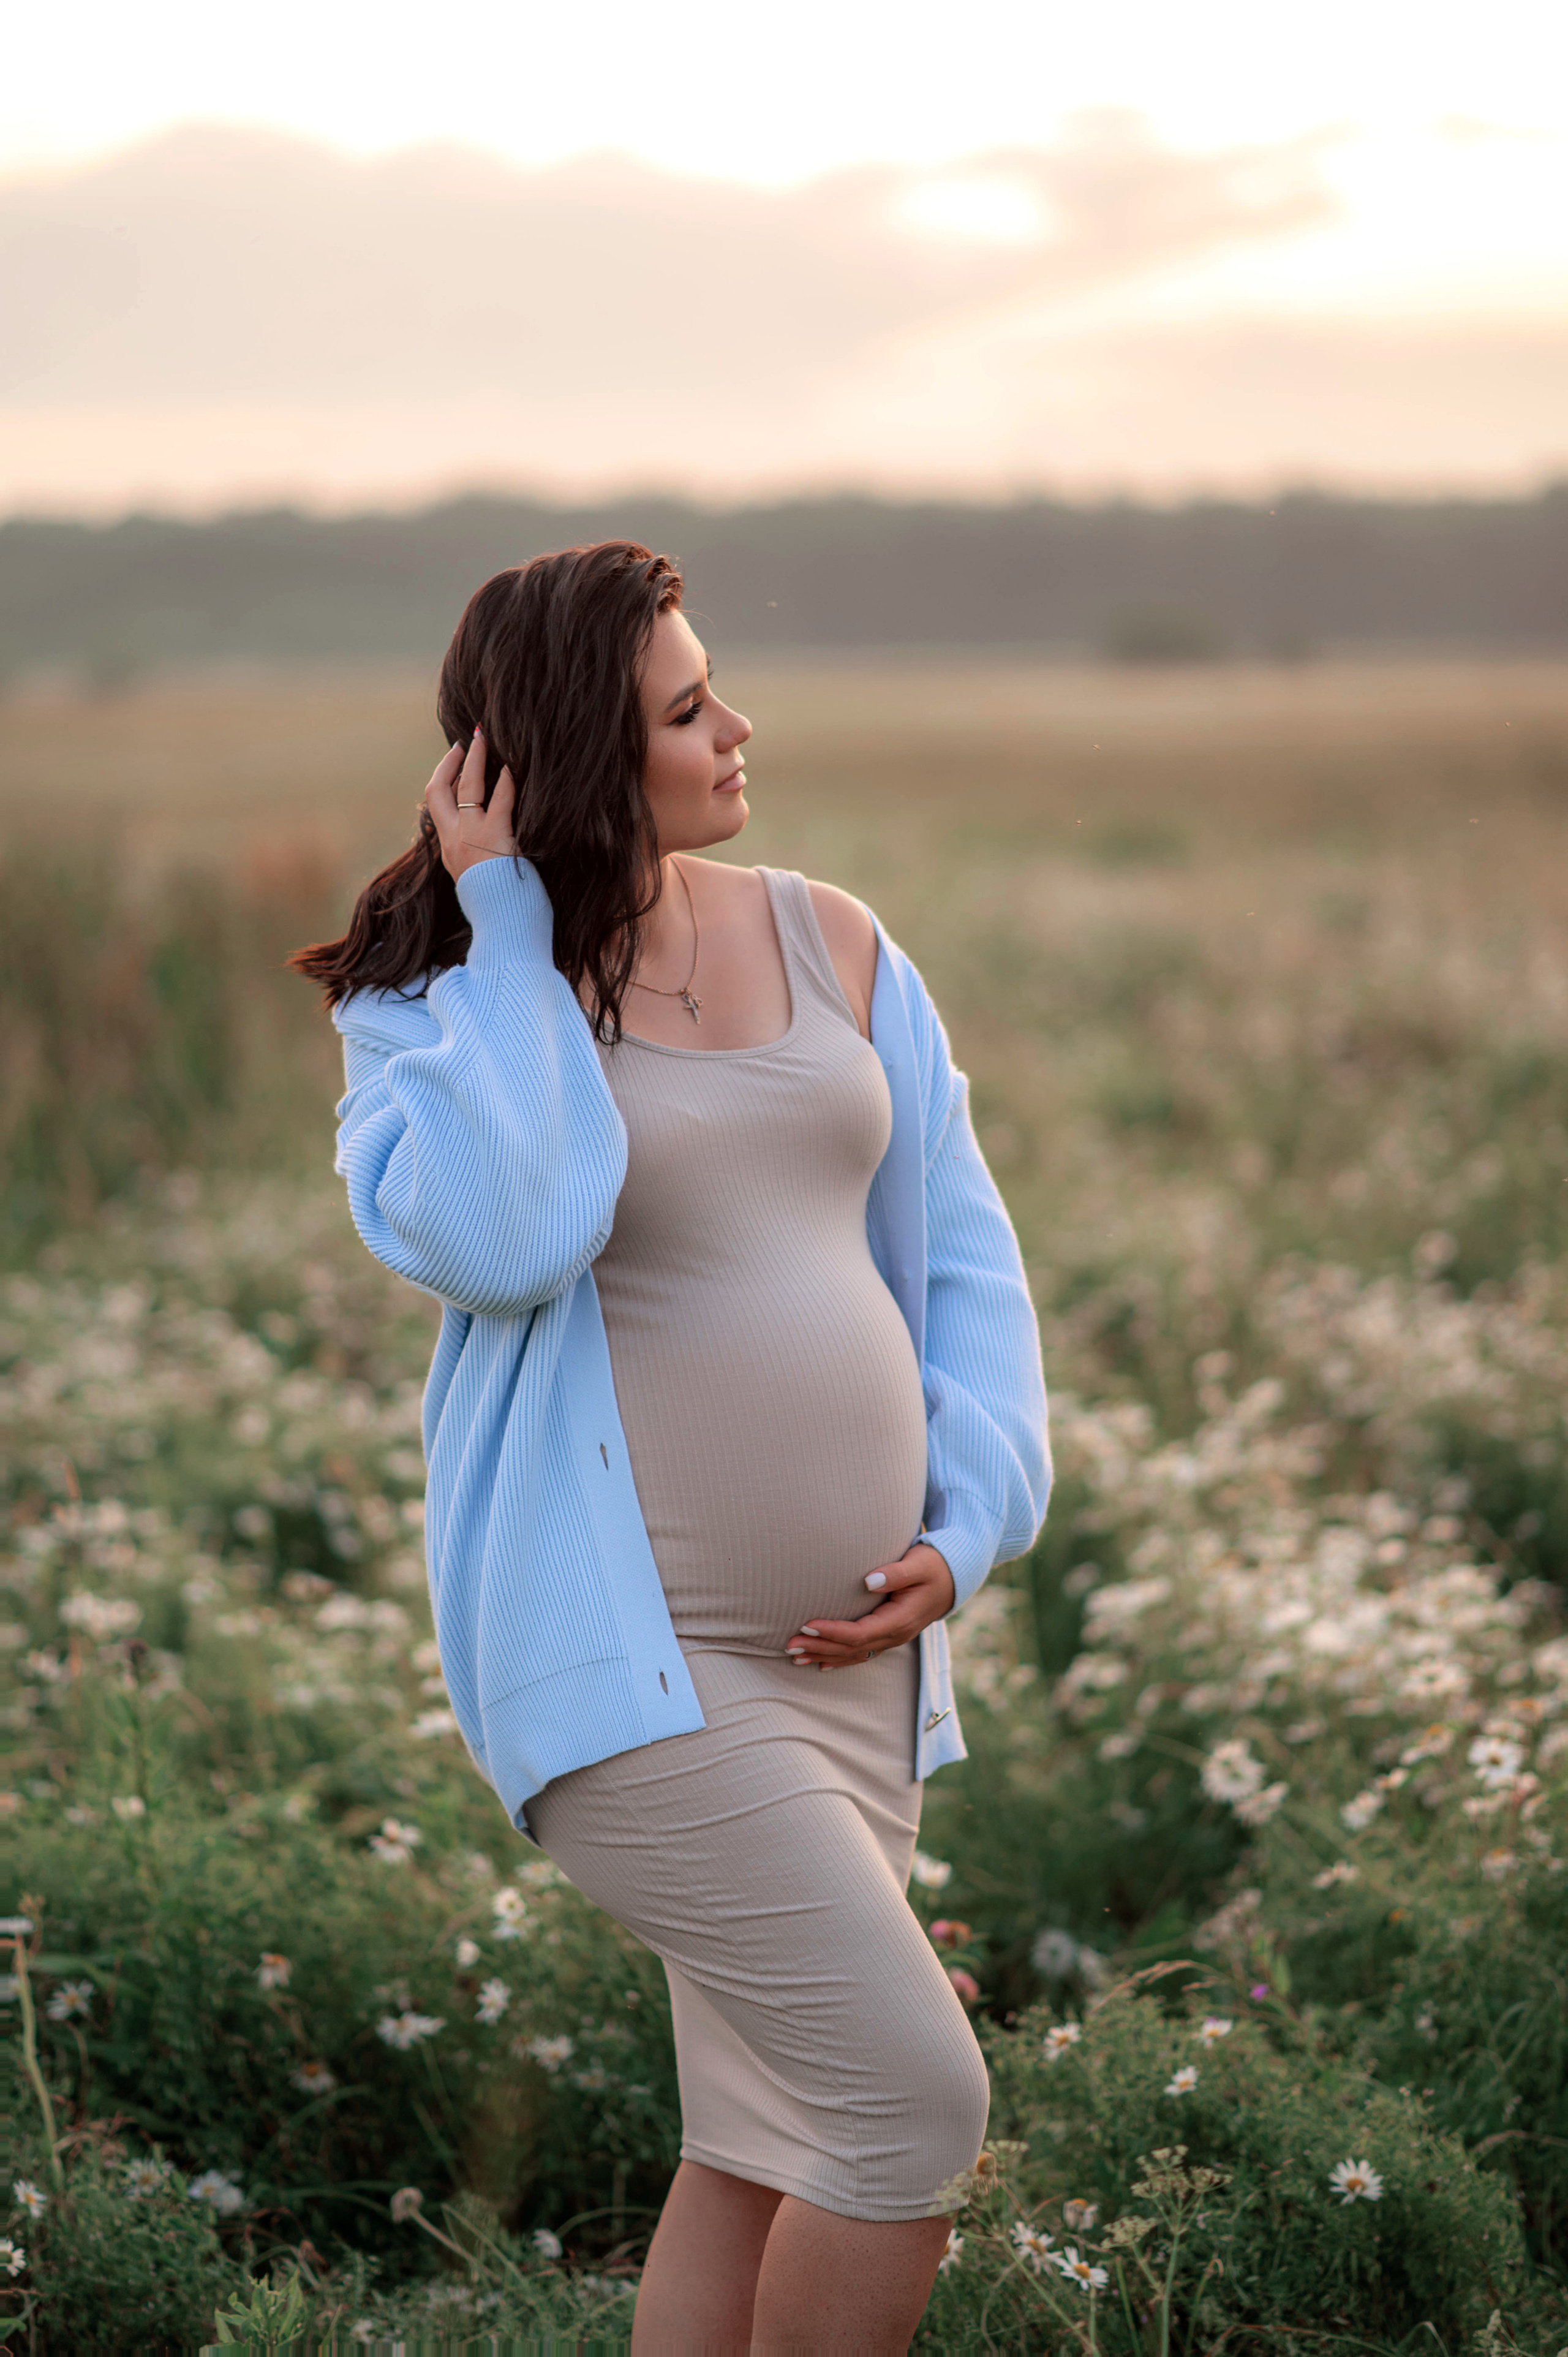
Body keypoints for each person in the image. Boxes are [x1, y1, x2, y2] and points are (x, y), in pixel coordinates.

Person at [293, 540, 1050, 2353]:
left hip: (850, 1660)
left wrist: (974, 1517)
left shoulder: (836, 936)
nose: (737, 728)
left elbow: (962, 1258)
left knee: (772, 2137)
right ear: (574, 749)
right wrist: (503, 937)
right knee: (912, 2109)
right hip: (639, 1687)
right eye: (687, 707)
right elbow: (513, 1236)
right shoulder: (433, 1010)